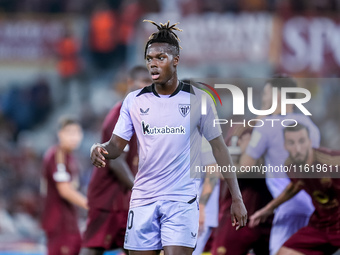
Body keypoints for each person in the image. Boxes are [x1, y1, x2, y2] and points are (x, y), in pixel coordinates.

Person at [90, 20, 247, 255]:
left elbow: (220, 148)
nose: (153, 64)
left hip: (181, 200)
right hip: (143, 199)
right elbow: (115, 147)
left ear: (175, 61)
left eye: (160, 58)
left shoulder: (199, 100)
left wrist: (237, 197)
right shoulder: (134, 101)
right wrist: (100, 148)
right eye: (149, 59)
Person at [240, 75, 320, 255]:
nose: (263, 98)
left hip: (287, 206)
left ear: (277, 96)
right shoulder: (311, 126)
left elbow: (245, 166)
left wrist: (246, 145)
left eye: (266, 94)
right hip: (312, 204)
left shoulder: (266, 126)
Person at [81, 66, 152, 255]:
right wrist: (141, 190)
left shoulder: (140, 113)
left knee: (136, 248)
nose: (147, 86)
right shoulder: (120, 114)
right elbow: (116, 161)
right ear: (130, 83)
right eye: (143, 81)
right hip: (108, 197)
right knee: (93, 247)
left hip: (124, 198)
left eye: (150, 82)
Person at [249, 123, 340, 255]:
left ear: (310, 142)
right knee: (285, 252)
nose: (297, 148)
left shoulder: (333, 162)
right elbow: (295, 187)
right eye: (291, 143)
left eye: (301, 141)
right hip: (321, 225)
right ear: (285, 146)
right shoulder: (290, 166)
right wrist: (268, 209)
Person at [212, 126, 273, 255]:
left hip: (253, 223)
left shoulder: (266, 163)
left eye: (243, 139)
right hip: (240, 223)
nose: (239, 142)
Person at [41, 117, 88, 255]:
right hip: (59, 225)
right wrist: (91, 206)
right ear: (60, 134)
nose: (74, 137)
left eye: (77, 133)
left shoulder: (70, 157)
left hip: (70, 223)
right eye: (69, 132)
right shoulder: (57, 155)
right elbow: (65, 190)